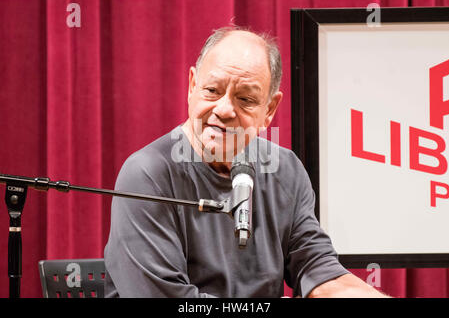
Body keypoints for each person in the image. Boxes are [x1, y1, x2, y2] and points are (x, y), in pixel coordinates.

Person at [104, 26, 387, 298]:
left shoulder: (285, 169)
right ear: (192, 86)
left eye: (245, 99)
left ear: (270, 109)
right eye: (212, 91)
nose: (225, 110)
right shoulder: (147, 174)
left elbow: (318, 269)